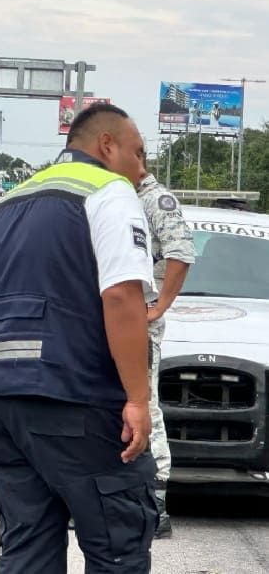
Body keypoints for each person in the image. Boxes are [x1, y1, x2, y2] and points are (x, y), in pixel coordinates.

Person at [0, 103, 159, 573]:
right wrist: (138, 398)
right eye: (138, 155)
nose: (142, 172)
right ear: (106, 145)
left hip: (5, 409)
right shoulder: (109, 193)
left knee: (27, 553)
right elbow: (121, 298)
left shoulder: (8, 205)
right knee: (118, 548)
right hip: (80, 402)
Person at [137, 164, 195, 539]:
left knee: (146, 405)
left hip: (141, 321)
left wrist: (159, 307)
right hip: (115, 316)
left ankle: (156, 504)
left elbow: (181, 254)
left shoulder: (158, 200)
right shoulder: (123, 196)